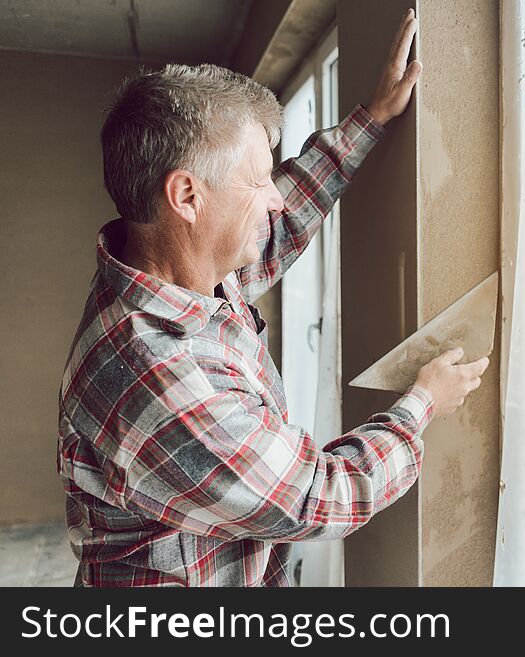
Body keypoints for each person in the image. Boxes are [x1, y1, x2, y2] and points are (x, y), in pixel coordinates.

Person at [58, 9, 488, 587]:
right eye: (258, 179)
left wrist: (371, 119)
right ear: (187, 195)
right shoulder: (154, 369)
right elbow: (317, 499)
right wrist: (422, 407)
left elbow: (279, 222)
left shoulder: (181, 271)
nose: (274, 199)